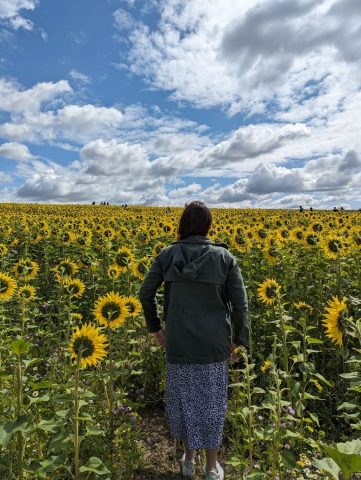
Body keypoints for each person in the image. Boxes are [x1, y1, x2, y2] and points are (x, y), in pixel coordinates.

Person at [139, 200, 249, 480]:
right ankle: (211, 467)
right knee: (212, 404)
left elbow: (145, 293)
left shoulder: (166, 255)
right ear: (208, 227)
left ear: (182, 226)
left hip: (179, 343)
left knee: (186, 400)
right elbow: (240, 305)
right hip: (214, 346)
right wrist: (239, 342)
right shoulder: (224, 258)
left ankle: (189, 460)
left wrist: (155, 328)